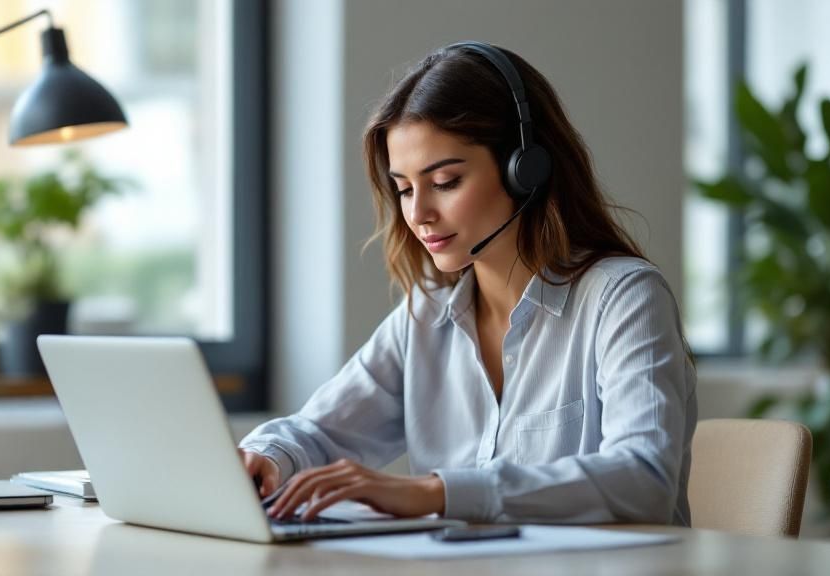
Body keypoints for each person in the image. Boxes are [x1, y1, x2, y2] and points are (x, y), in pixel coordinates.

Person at [238, 41, 697, 526]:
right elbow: (319, 433)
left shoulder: (623, 298)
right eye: (405, 189)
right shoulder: (427, 315)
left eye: (445, 182)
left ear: (526, 170)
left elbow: (645, 479)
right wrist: (266, 458)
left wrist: (438, 493)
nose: (418, 215)